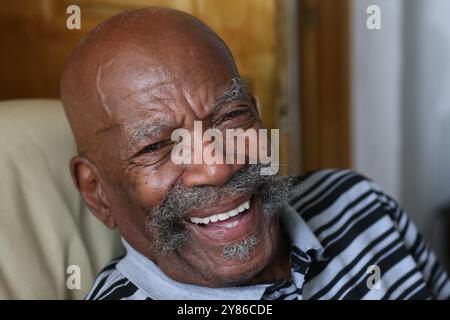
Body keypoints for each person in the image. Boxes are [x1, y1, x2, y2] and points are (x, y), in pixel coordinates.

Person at [60, 7, 450, 300]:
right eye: (157, 146)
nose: (217, 166)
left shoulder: (359, 203)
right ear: (96, 193)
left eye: (231, 116)